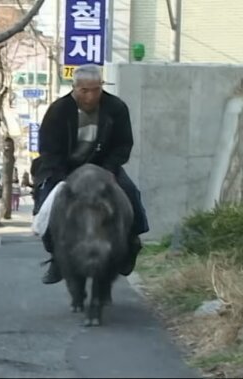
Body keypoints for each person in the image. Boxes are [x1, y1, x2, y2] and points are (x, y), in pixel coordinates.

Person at [32, 64, 149, 285]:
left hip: (103, 167)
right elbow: (48, 148)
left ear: (101, 87)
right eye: (84, 90)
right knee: (47, 203)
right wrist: (61, 177)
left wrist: (110, 170)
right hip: (64, 169)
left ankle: (132, 242)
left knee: (130, 193)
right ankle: (57, 255)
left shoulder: (116, 108)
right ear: (74, 87)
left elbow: (123, 144)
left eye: (95, 89)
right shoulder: (58, 110)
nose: (90, 95)